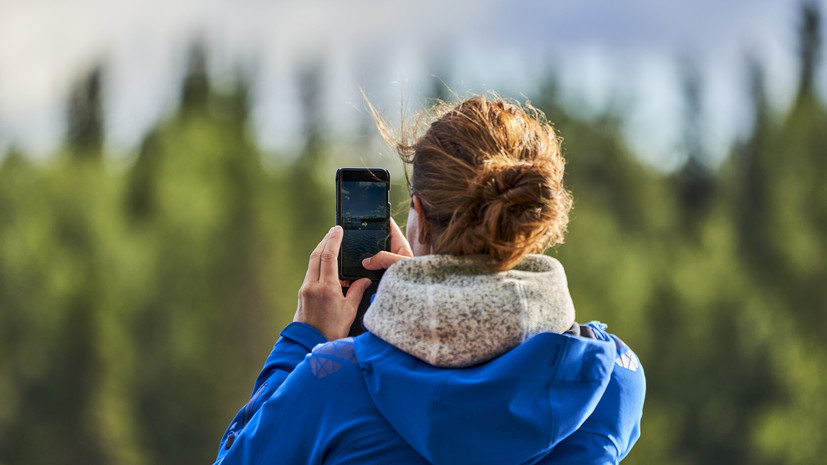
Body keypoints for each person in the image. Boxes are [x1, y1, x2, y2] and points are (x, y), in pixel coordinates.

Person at [213, 95, 645, 465]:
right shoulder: (611, 382)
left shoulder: (330, 383)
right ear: (532, 220)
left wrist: (304, 340)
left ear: (417, 217)